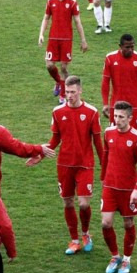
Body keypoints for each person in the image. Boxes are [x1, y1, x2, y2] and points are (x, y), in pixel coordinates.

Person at [47, 76, 104, 256]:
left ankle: (86, 234)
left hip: (85, 164)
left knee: (84, 204)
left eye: (72, 92)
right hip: (64, 164)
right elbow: (55, 139)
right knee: (68, 201)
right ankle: (74, 240)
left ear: (80, 91)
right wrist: (40, 154)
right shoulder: (57, 112)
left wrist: (105, 165)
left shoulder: (92, 112)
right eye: (67, 92)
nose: (69, 96)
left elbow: (98, 142)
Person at [100, 101, 137, 273]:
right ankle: (115, 256)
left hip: (128, 190)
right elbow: (106, 155)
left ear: (129, 118)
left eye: (121, 117)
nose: (117, 119)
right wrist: (103, 177)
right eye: (115, 116)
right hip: (110, 186)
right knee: (106, 223)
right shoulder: (108, 133)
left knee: (128, 223)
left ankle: (127, 259)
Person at [38, 0, 89, 103]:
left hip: (66, 39)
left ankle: (62, 96)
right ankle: (58, 82)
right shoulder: (51, 1)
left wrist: (83, 40)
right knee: (49, 65)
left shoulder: (72, 3)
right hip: (53, 38)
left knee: (63, 68)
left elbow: (77, 22)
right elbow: (46, 18)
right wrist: (41, 34)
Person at [101, 34, 137, 129]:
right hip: (116, 105)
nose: (130, 50)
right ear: (120, 46)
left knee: (134, 134)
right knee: (115, 134)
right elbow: (105, 82)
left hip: (134, 105)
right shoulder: (110, 58)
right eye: (127, 47)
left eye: (132, 47)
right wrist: (105, 104)